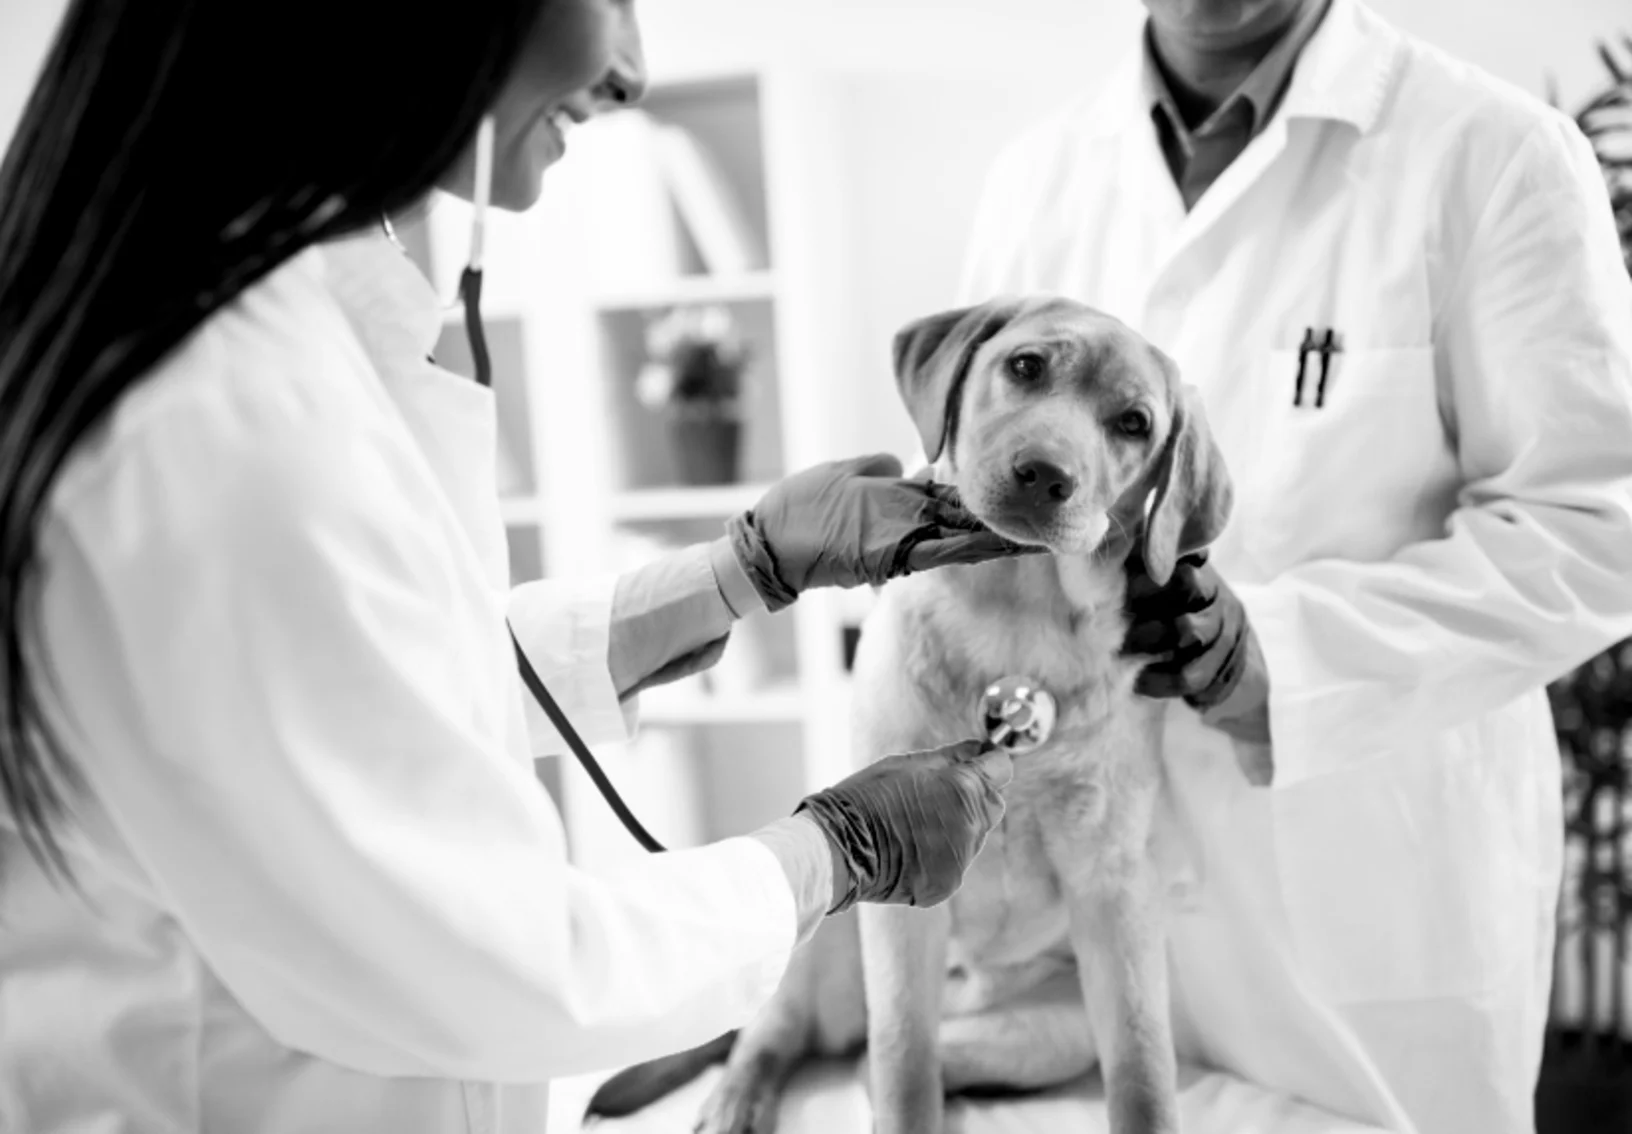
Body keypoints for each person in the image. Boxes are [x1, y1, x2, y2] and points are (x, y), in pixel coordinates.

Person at [0, 3, 1028, 1132]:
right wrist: (836, 850)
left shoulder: (262, 342)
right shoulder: (222, 425)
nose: (631, 73)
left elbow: (377, 685)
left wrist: (744, 571)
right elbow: (507, 957)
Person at [957, 0, 1632, 1131]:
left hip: (1364, 931)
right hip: (1081, 935)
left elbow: (1594, 522)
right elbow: (981, 497)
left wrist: (1282, 658)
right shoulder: (1037, 179)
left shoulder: (1492, 152)